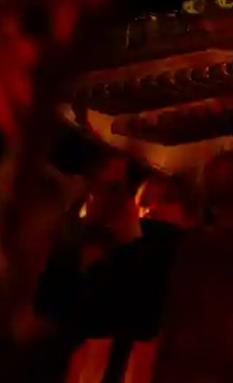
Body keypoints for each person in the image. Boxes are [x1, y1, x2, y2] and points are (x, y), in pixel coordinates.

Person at [34, 159, 198, 383]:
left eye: (167, 200)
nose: (151, 209)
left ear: (190, 217)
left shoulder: (180, 267)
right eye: (144, 202)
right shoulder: (117, 261)